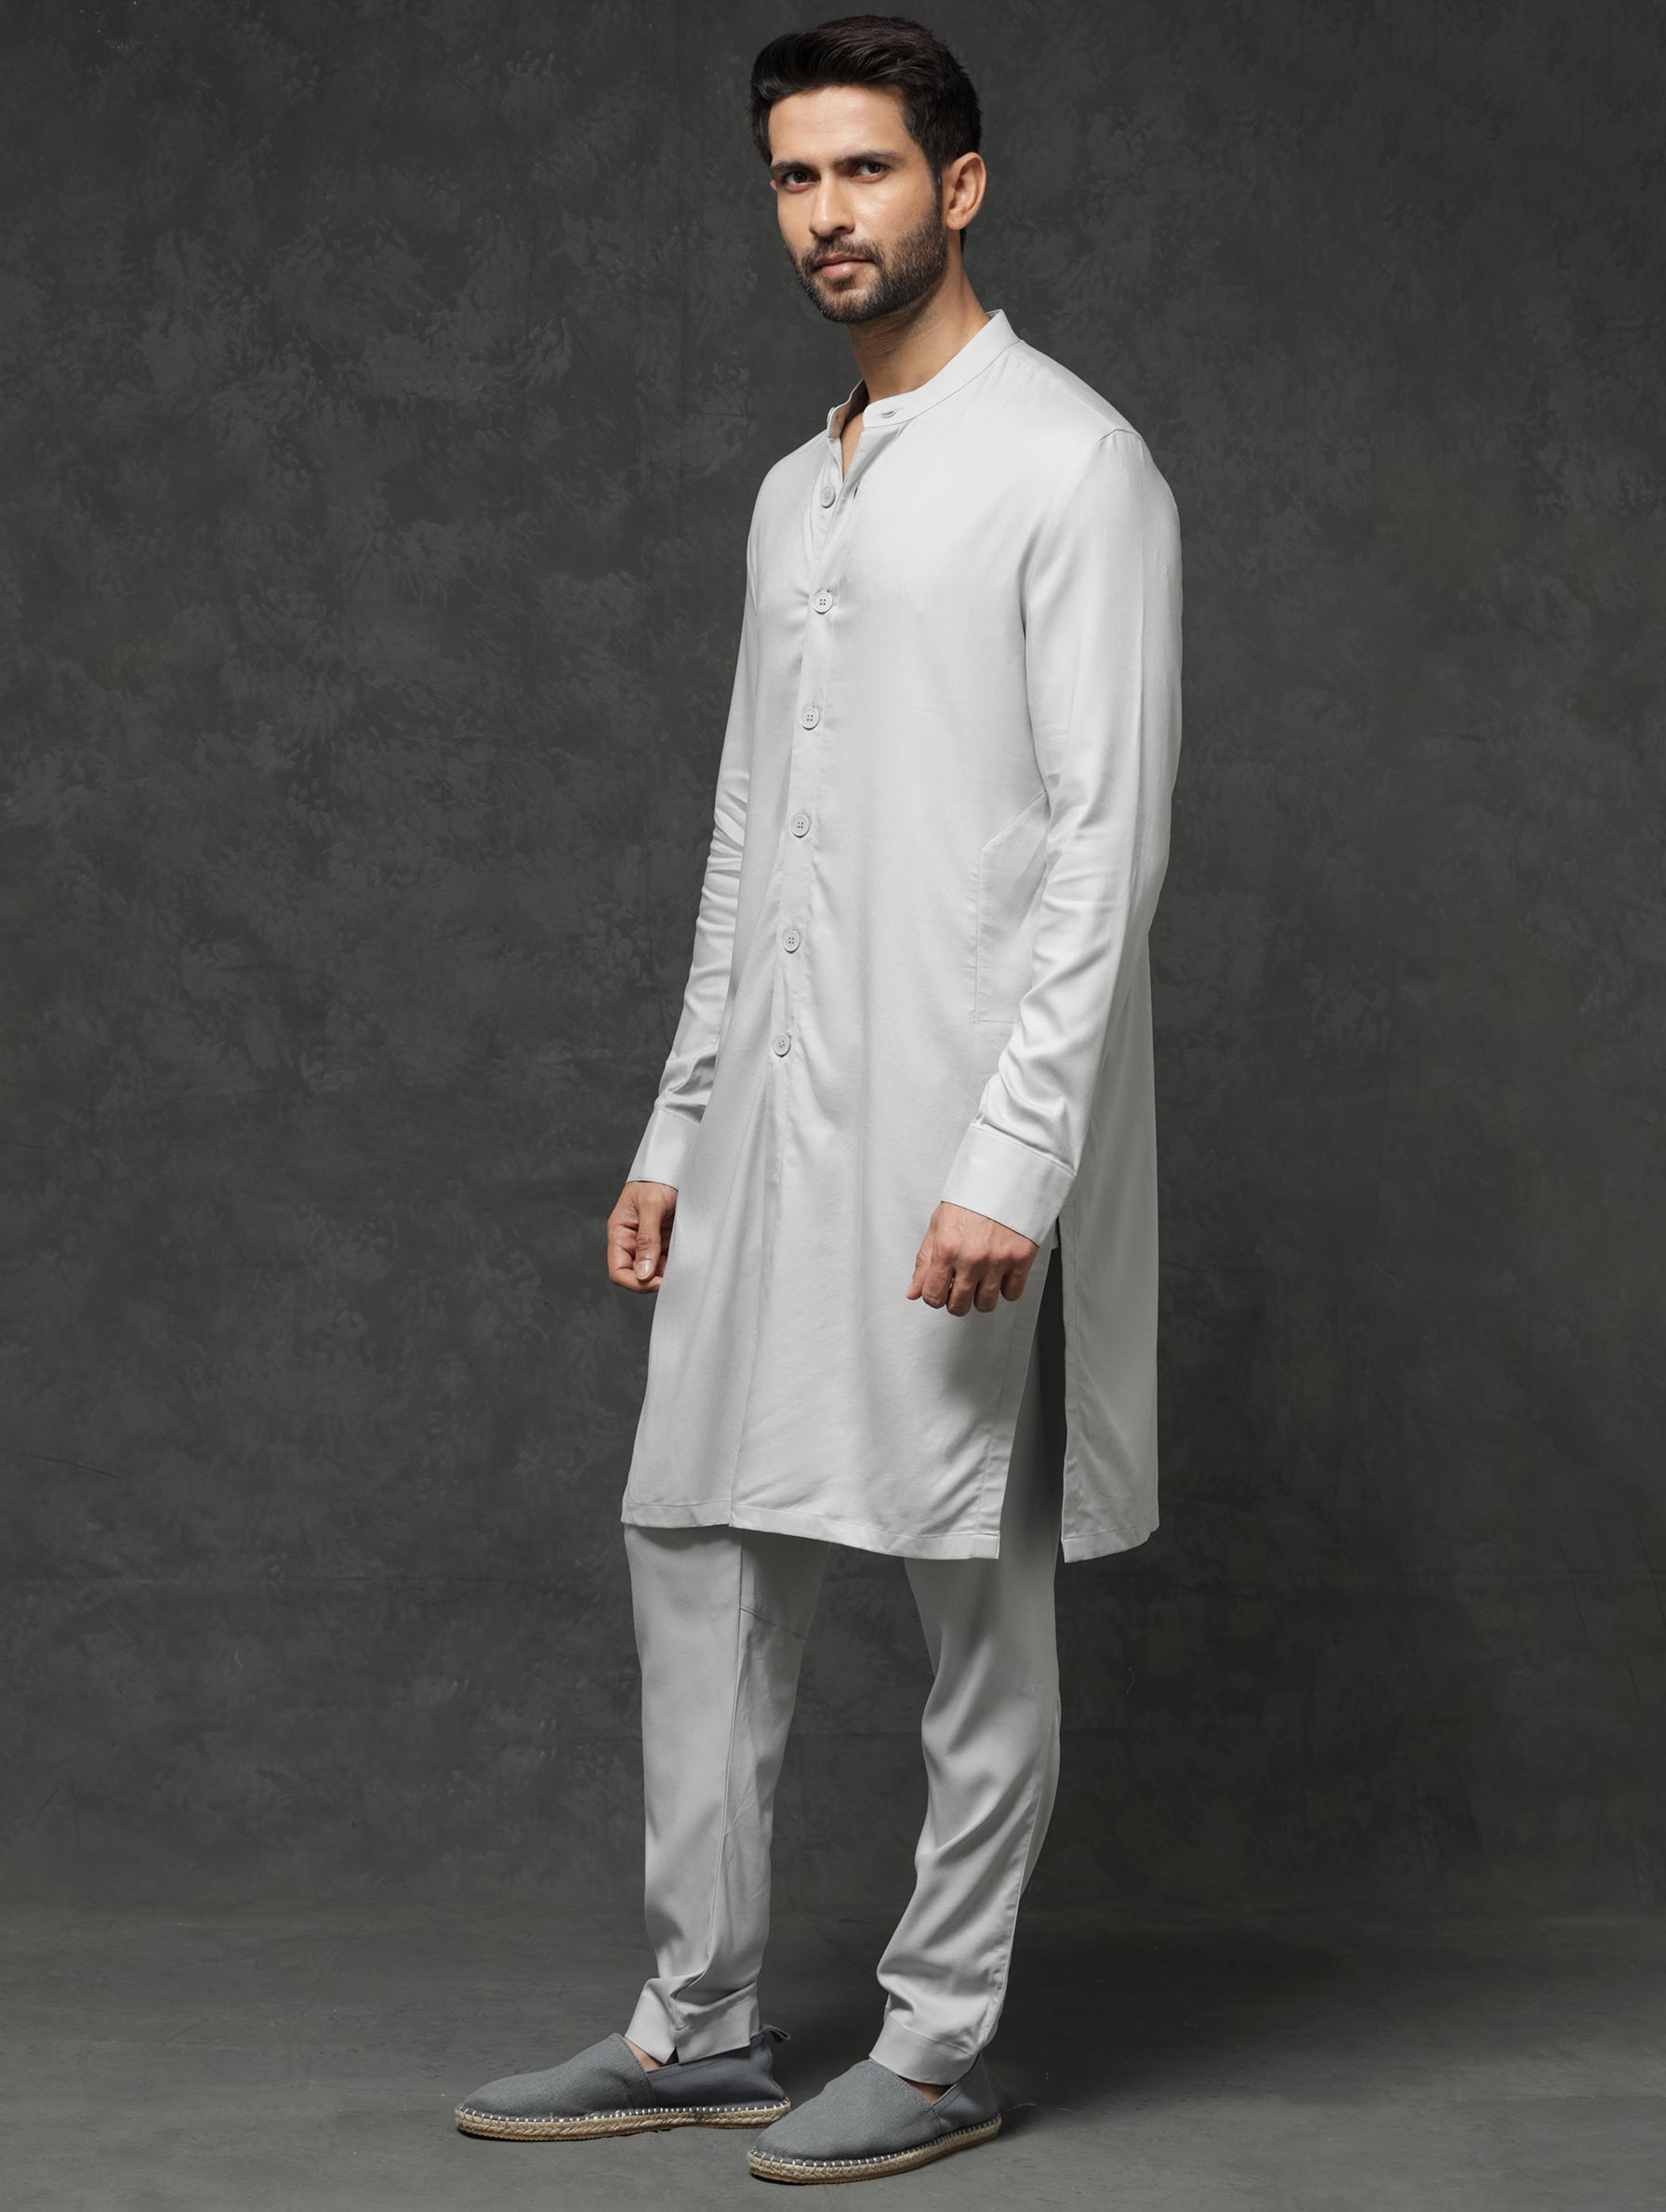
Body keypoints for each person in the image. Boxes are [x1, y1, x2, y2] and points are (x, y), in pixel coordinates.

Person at [455, 12, 1182, 2185]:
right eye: (794, 177)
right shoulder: (798, 492)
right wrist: (678, 1121)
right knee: (690, 1529)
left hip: (964, 1134)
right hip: (773, 1121)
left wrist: (1015, 1154)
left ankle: (938, 2039)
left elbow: (1108, 845)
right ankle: (697, 2024)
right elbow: (748, 831)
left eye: (865, 170)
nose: (827, 215)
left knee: (972, 1587)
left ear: (959, 185)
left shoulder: (1072, 462)